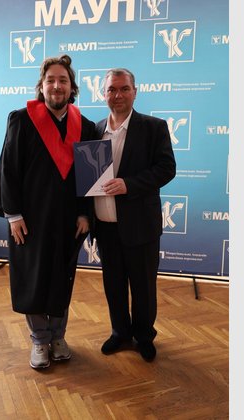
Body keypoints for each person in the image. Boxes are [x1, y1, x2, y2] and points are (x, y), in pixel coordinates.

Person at [0, 55, 95, 369]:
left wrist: (85, 213)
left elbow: (90, 178)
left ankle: (58, 336)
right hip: (30, 220)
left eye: (63, 80)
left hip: (68, 220)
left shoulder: (86, 126)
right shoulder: (21, 120)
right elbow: (9, 169)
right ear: (42, 86)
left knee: (62, 277)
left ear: (72, 87)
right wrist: (13, 214)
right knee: (33, 278)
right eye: (51, 80)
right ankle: (39, 340)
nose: (57, 86)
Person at [92, 68, 176, 362]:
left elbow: (166, 169)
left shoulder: (153, 127)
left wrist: (129, 184)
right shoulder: (94, 130)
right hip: (105, 227)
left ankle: (144, 336)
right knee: (113, 285)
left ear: (135, 92)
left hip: (140, 226)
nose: (118, 95)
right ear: (103, 94)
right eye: (111, 89)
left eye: (124, 89)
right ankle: (120, 333)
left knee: (143, 288)